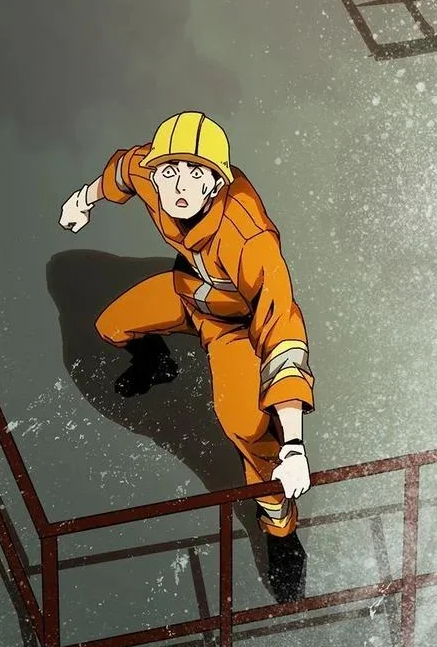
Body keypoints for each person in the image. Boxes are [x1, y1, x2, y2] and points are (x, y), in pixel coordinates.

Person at [59, 111, 313, 602]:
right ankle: (158, 363)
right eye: (170, 171)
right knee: (112, 325)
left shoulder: (249, 239)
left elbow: (282, 331)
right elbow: (123, 169)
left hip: (234, 326)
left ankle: (280, 530)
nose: (179, 185)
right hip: (189, 291)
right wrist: (83, 201)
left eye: (196, 173)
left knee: (244, 426)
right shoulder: (151, 176)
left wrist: (296, 447)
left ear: (217, 182)